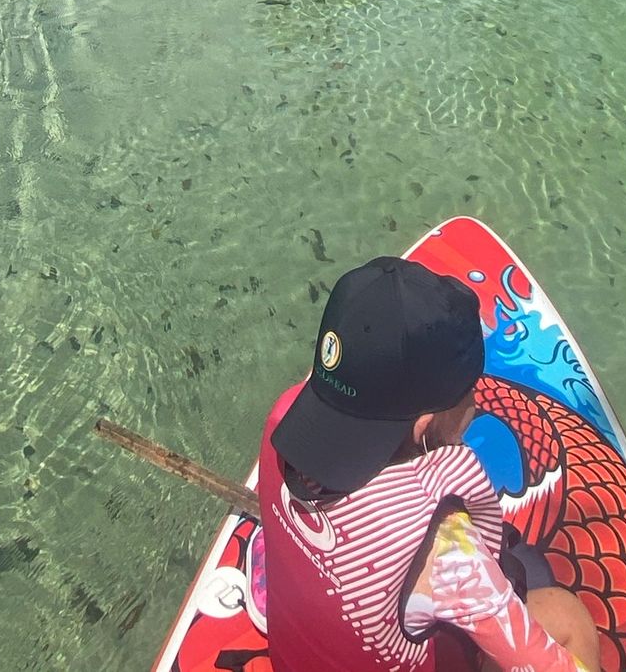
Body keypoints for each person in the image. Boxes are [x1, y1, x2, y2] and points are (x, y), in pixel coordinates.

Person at [257, 257, 601, 672]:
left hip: (298, 654)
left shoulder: (285, 417)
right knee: (564, 615)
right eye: (468, 391)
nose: (474, 404)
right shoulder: (446, 546)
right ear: (426, 423)